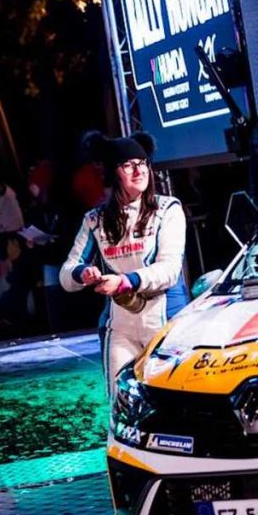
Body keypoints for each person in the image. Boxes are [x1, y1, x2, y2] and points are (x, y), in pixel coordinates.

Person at [60, 132, 188, 398]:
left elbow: (169, 270)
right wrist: (83, 274)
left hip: (165, 321)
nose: (139, 170)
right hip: (120, 325)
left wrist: (125, 281)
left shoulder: (167, 209)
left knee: (172, 403)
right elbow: (66, 274)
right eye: (128, 165)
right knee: (120, 403)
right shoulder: (95, 219)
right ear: (112, 173)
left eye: (142, 163)